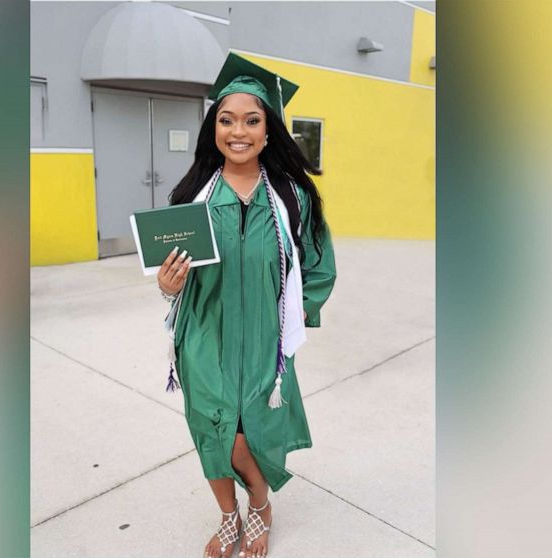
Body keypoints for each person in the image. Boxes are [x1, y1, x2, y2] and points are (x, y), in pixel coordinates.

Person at [156, 53, 337, 558]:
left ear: (268, 129)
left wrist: (296, 314)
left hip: (264, 340)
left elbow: (320, 267)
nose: (238, 131)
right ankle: (229, 516)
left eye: (252, 120)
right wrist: (169, 287)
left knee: (248, 433)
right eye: (226, 119)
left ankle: (260, 505)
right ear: (212, 127)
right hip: (204, 336)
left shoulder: (291, 196)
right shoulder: (191, 195)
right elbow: (171, 275)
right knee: (213, 432)